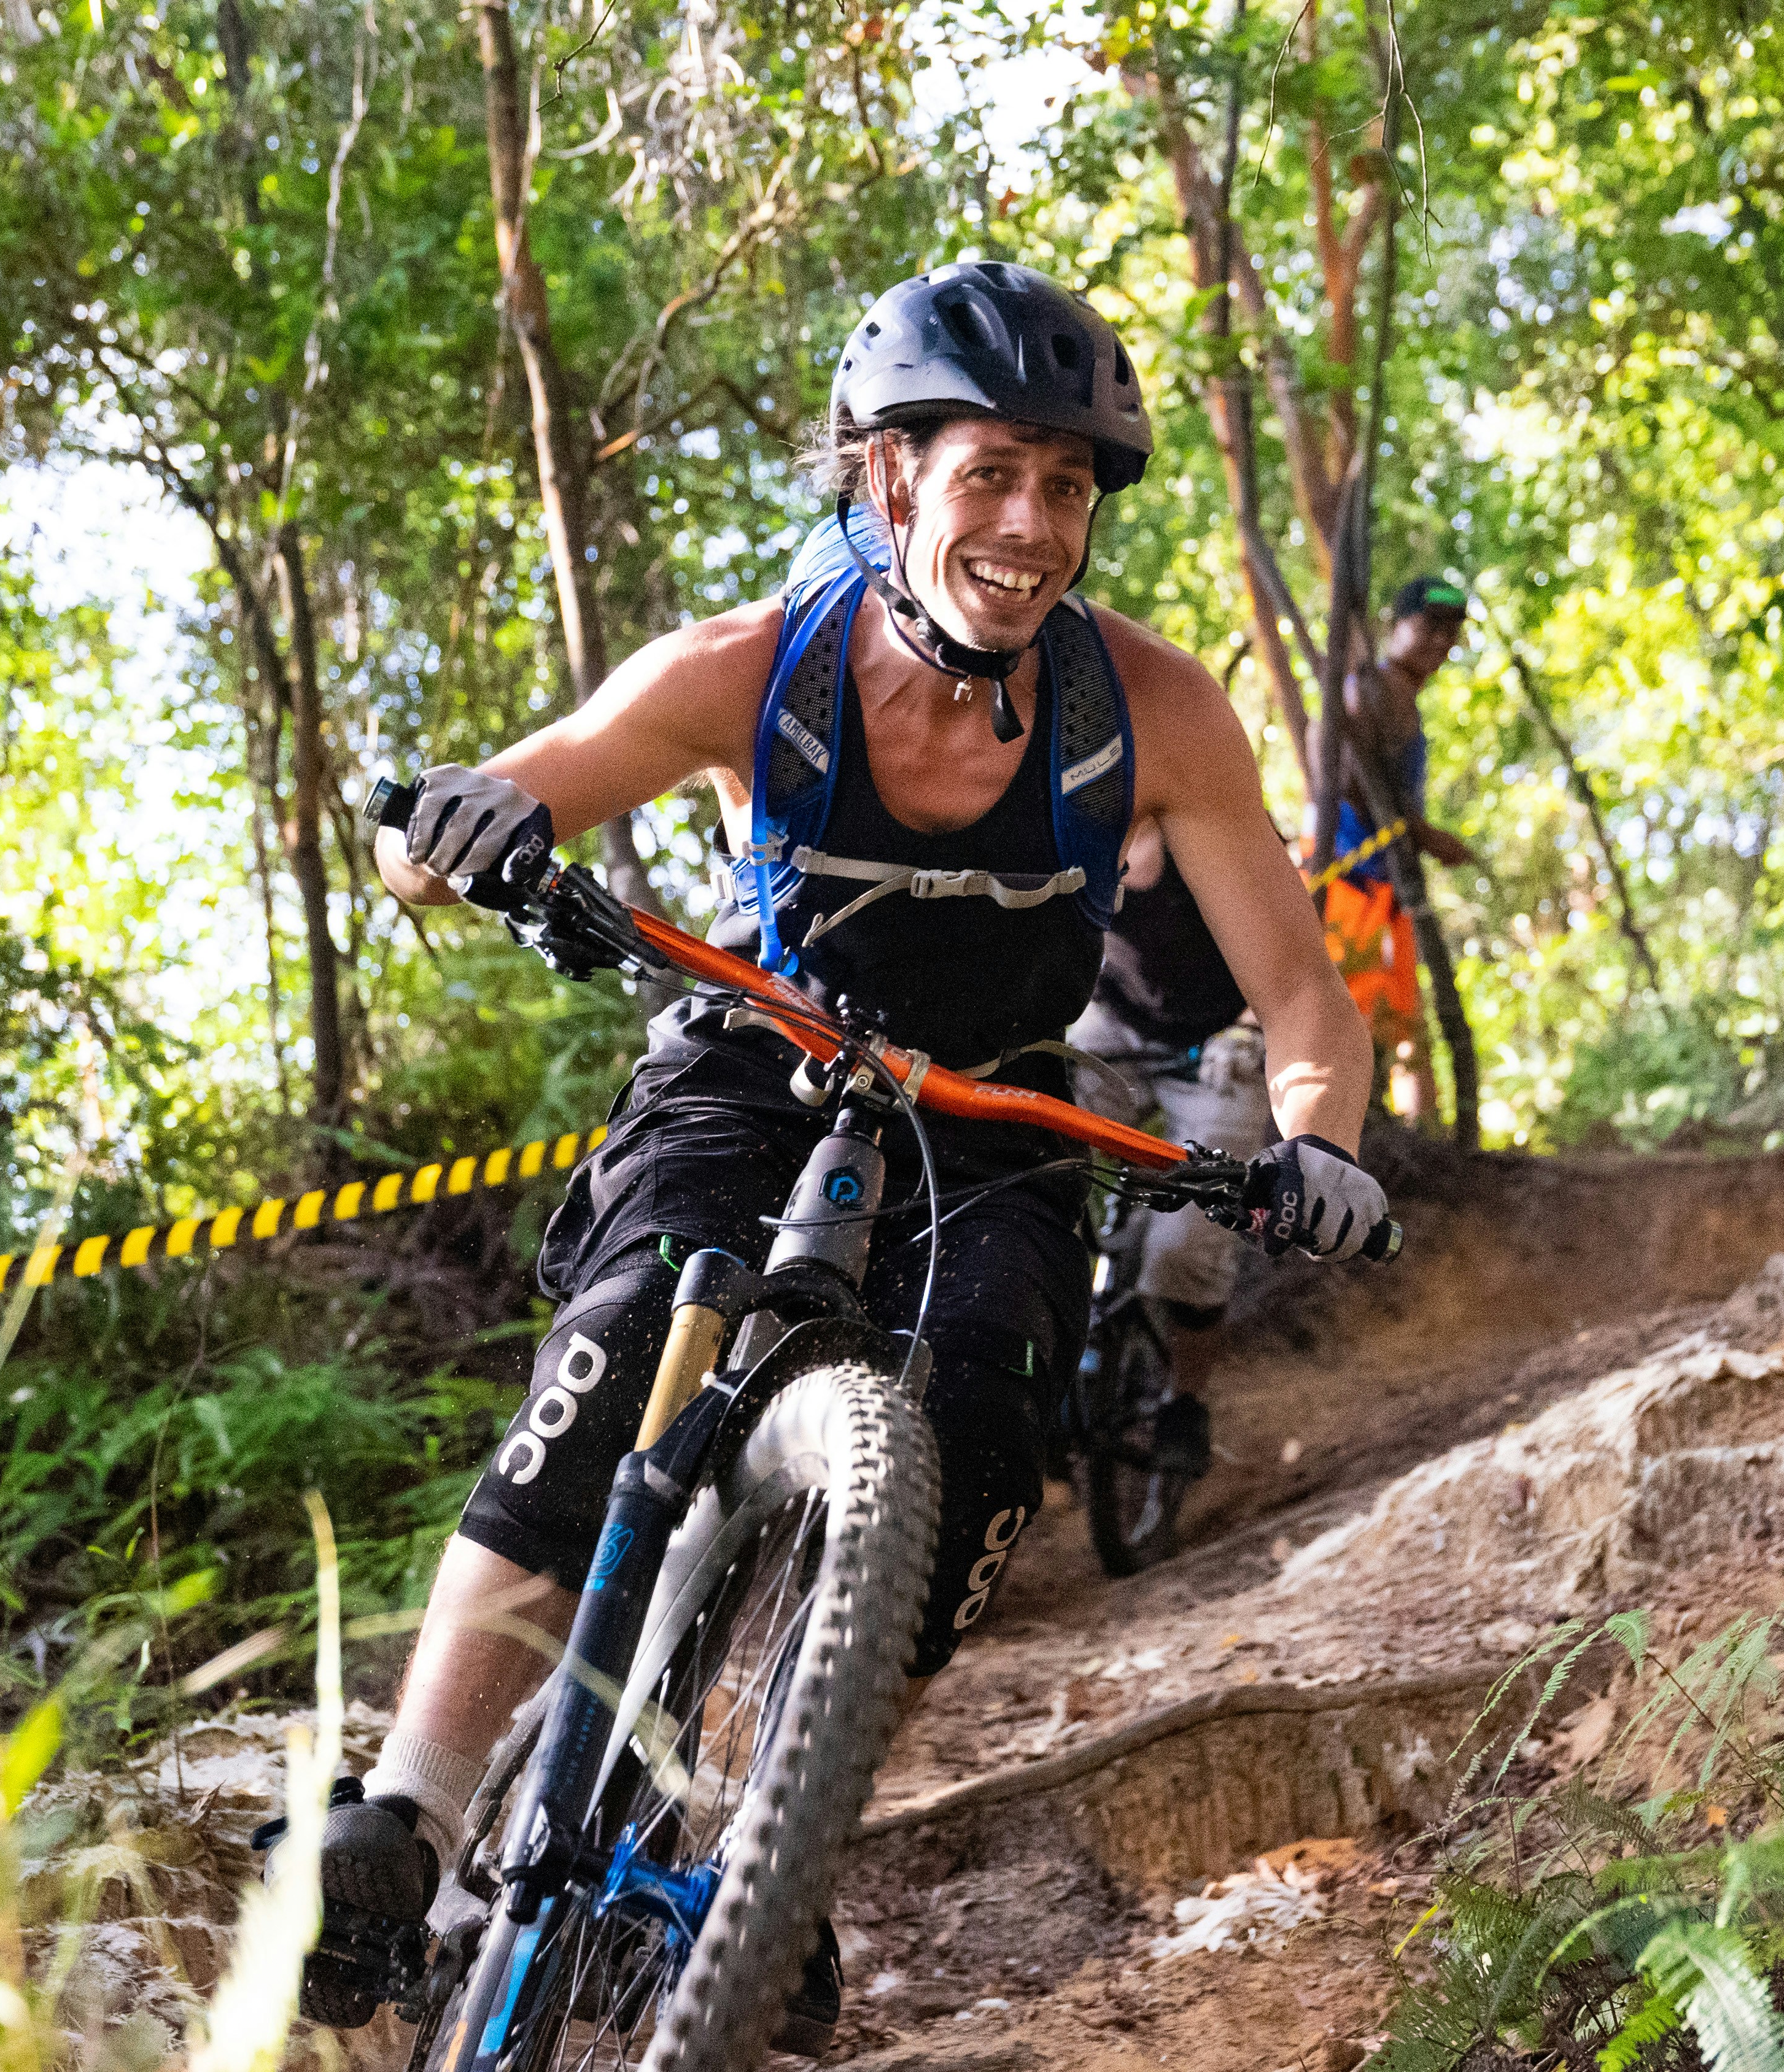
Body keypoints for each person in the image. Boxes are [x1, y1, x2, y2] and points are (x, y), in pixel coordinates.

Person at [327, 261, 1384, 2038]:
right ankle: (406, 1819)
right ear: (891, 477)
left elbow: (1305, 1002)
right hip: (760, 1065)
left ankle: (766, 1841)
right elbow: (487, 816)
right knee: (614, 1362)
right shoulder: (752, 670)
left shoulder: (1154, 712)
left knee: (976, 1428)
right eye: (992, 474)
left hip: (999, 1111)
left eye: (1067, 488)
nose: (1033, 526)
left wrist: (1319, 1145)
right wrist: (462, 832)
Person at [1067, 819, 1274, 1477]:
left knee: (1185, 1247)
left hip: (1220, 1046)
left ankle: (1185, 1401)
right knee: (1027, 1164)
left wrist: (1247, 1027)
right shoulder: (1067, 815)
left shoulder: (1209, 810)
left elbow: (1284, 940)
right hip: (1112, 1030)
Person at [1320, 576, 1482, 1126]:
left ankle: (1395, 1137)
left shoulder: (1401, 697)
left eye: (1452, 632)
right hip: (1349, 887)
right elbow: (1349, 780)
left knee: (1397, 1027)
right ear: (1396, 625)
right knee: (1346, 1025)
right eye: (1430, 626)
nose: (1442, 642)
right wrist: (1424, 835)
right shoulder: (1374, 687)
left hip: (1386, 891)